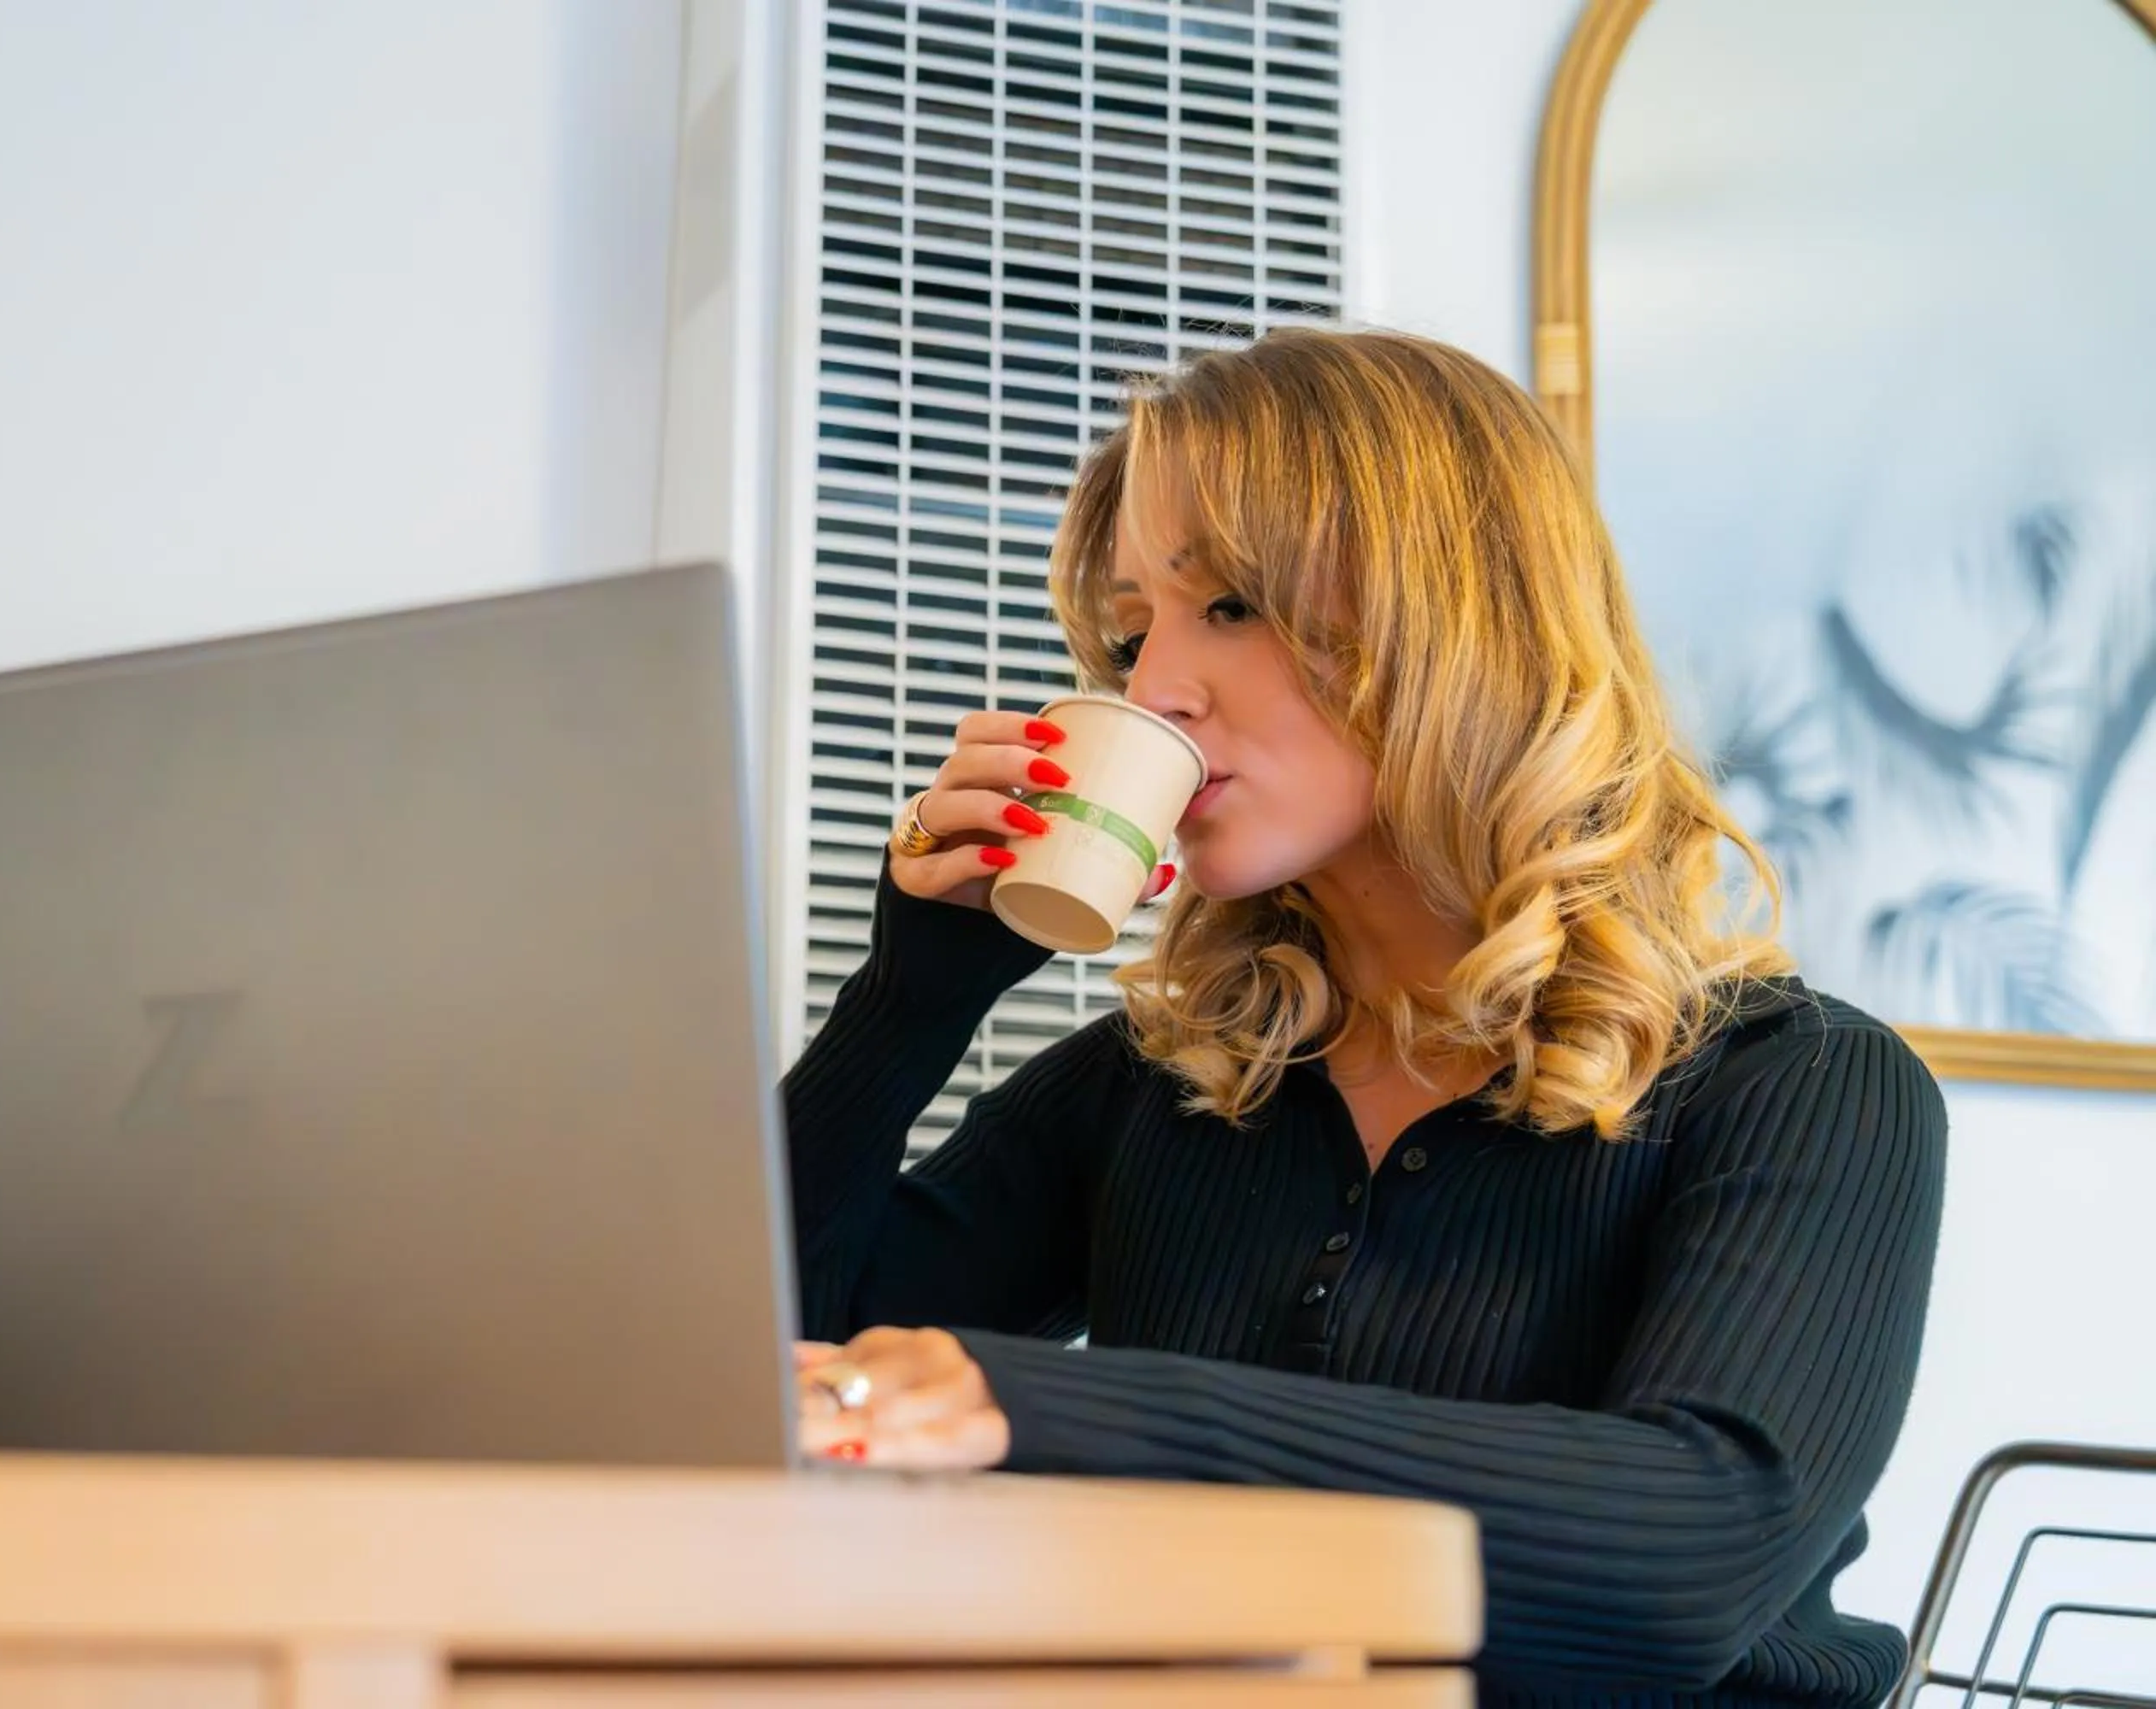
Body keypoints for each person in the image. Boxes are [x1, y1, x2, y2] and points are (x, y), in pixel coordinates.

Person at [780, 326, 1947, 1708]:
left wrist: (1039, 1408)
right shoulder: (1164, 1086)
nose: (1151, 686)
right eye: (1130, 626)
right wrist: (912, 996)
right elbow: (765, 1356)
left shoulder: (1807, 1088)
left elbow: (1680, 1561)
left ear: (1447, 619)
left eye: (1228, 607)